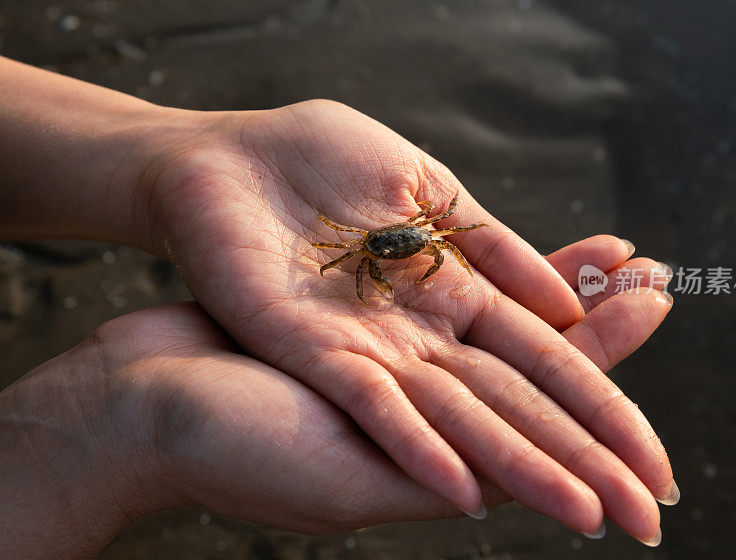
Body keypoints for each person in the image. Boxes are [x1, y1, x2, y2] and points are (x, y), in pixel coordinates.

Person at [0, 55, 677, 559]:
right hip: (373, 241)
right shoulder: (359, 245)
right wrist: (99, 440)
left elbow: (442, 239)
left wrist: (182, 154)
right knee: (348, 256)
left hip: (401, 236)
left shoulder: (429, 241)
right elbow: (349, 245)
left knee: (419, 252)